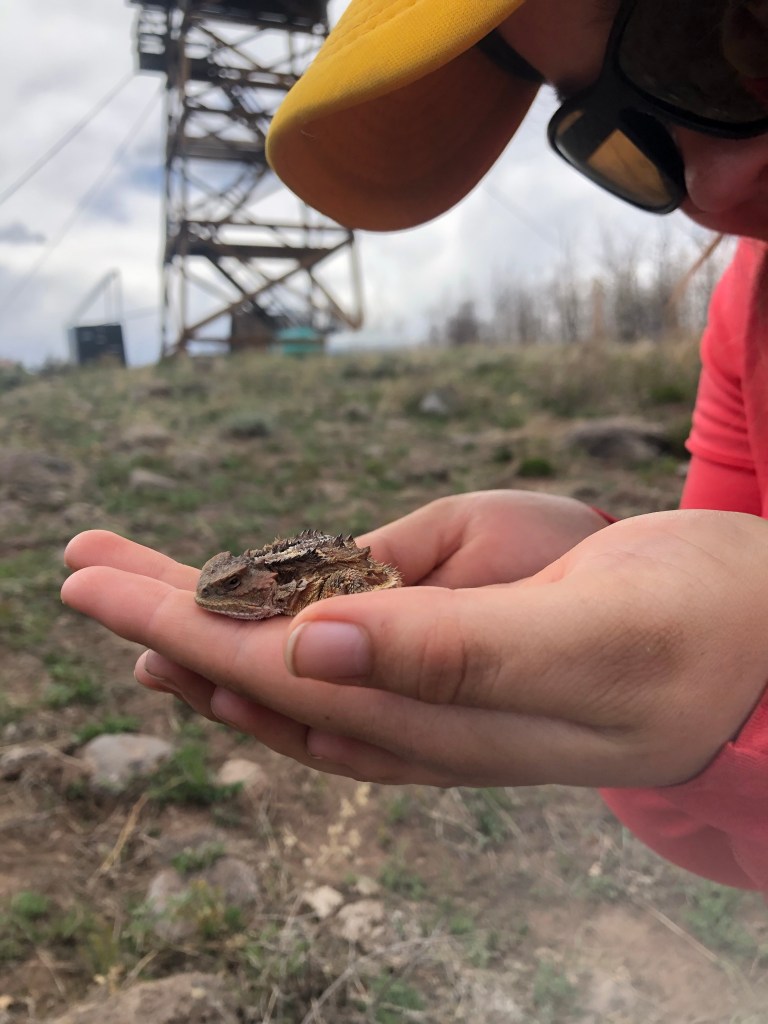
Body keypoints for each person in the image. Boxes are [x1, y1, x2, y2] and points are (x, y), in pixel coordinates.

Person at [62, 0, 768, 893]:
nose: (705, 188)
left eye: (713, 46)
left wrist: (750, 695)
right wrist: (607, 587)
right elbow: (732, 831)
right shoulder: (745, 320)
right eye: (610, 136)